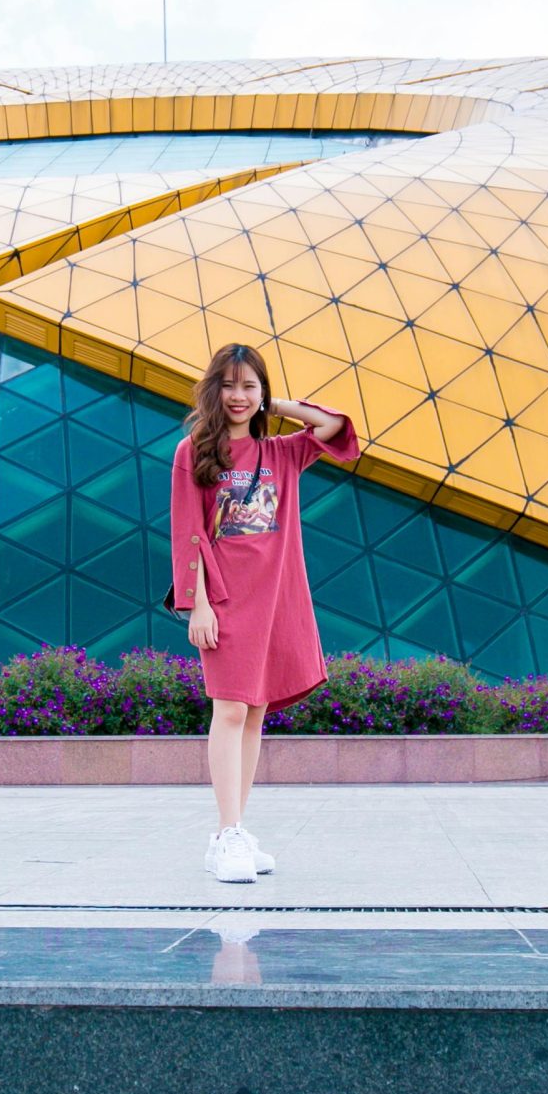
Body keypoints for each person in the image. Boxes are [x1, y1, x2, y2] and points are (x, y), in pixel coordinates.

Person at [169, 343, 360, 883]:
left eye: (249, 386)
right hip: (226, 600)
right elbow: (189, 531)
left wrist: (279, 408)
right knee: (228, 710)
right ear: (214, 390)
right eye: (228, 386)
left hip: (277, 599)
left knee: (254, 713)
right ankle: (226, 834)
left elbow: (334, 429)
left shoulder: (281, 452)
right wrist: (198, 604)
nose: (237, 396)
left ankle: (236, 830)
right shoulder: (194, 452)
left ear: (262, 393)